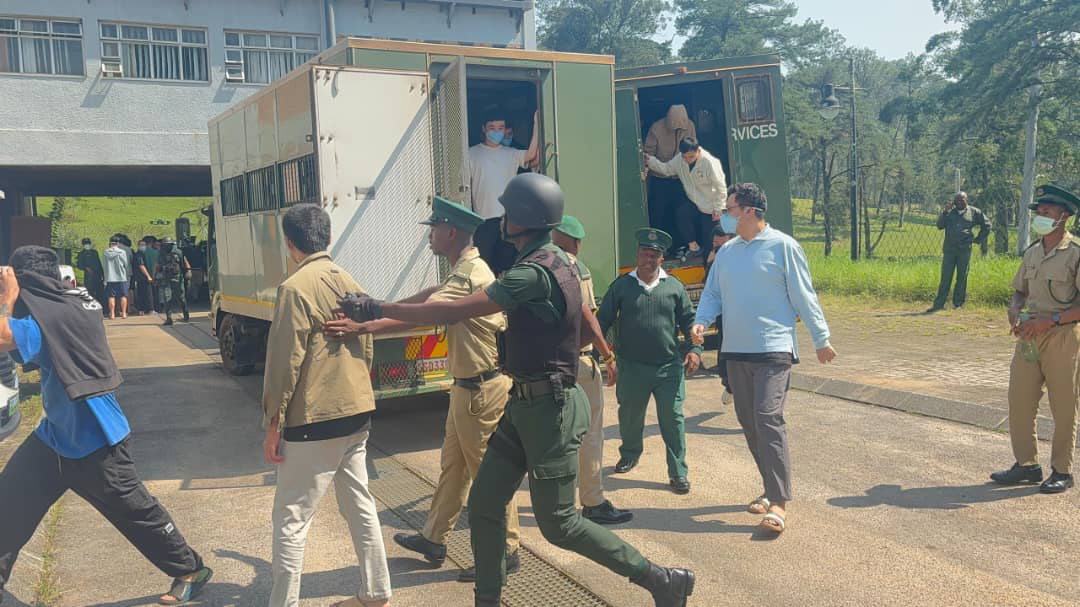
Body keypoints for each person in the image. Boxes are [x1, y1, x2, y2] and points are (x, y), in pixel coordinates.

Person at [338, 173, 695, 607]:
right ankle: (487, 599)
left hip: (550, 411)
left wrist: (374, 307)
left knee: (559, 524)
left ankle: (662, 580)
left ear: (523, 219)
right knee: (486, 503)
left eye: (508, 212)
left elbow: (461, 309)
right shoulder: (557, 262)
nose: (502, 220)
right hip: (524, 404)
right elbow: (581, 318)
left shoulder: (533, 273)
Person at [325, 197, 523, 582]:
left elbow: (429, 311)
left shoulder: (469, 275)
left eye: (434, 229)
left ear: (450, 232)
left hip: (481, 392)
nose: (429, 236)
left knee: (489, 476)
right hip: (468, 390)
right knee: (454, 468)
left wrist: (367, 321)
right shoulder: (465, 269)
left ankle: (506, 551)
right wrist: (380, 308)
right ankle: (434, 538)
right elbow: (428, 295)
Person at [0, 246, 212, 606]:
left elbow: (4, 337)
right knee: (9, 503)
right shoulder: (69, 304)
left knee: (137, 513)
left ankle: (191, 569)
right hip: (54, 438)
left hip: (96, 439)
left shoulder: (48, 317)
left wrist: (8, 298)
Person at [261, 204, 391, 607]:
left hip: (313, 418)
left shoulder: (295, 287)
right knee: (358, 503)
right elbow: (367, 343)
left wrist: (273, 421)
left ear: (289, 243)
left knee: (292, 518)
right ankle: (376, 590)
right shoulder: (350, 281)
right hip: (355, 411)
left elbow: (285, 361)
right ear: (328, 238)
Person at [691, 183, 836, 534]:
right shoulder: (727, 254)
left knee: (767, 417)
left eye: (729, 209)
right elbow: (713, 294)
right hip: (736, 350)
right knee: (749, 421)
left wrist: (821, 338)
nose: (724, 216)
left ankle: (780, 504)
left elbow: (804, 294)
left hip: (774, 349)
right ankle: (771, 488)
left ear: (749, 212)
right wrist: (700, 320)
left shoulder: (784, 247)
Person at [597, 228, 701, 495]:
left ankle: (678, 472)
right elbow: (602, 320)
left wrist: (695, 350)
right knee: (630, 417)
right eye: (645, 253)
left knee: (673, 419)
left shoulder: (674, 286)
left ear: (661, 259)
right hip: (632, 367)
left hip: (669, 367)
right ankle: (630, 454)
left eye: (654, 255)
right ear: (637, 255)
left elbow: (689, 322)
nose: (649, 259)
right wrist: (605, 352)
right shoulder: (622, 285)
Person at [991, 184, 1080, 494]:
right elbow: (1020, 290)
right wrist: (1014, 310)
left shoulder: (1075, 254)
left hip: (1062, 337)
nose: (1040, 215)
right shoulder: (1031, 252)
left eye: (1047, 210)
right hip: (1029, 337)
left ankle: (1062, 470)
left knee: (1063, 405)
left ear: (1064, 215)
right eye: (1038, 211)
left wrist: (1051, 320)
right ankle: (1027, 465)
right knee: (1020, 400)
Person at [551, 215, 633, 524]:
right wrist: (607, 356)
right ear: (575, 242)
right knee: (589, 433)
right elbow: (588, 318)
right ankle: (593, 501)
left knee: (555, 435)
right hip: (578, 364)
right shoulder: (575, 267)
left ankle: (556, 502)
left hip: (547, 365)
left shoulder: (537, 261)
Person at [469, 109, 541, 276]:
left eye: (501, 128)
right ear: (483, 129)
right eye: (492, 127)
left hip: (508, 220)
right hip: (483, 221)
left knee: (508, 267)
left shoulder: (511, 154)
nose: (497, 131)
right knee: (484, 269)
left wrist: (536, 125)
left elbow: (531, 154)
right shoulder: (471, 154)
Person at [646, 137, 727, 260]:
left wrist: (718, 208)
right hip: (694, 201)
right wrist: (650, 161)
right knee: (682, 213)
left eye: (691, 157)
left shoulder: (709, 162)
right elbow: (666, 169)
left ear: (698, 151)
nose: (688, 160)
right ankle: (693, 247)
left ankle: (708, 267)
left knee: (708, 243)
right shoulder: (680, 160)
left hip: (710, 207)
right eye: (685, 157)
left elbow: (721, 187)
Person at [643, 105, 697, 247]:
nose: (679, 130)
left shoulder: (690, 125)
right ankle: (657, 245)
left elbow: (692, 148)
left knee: (681, 212)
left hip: (680, 179)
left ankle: (681, 245)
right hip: (660, 179)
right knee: (658, 213)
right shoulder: (656, 128)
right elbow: (648, 153)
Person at [928, 191, 991, 312]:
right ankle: (939, 304)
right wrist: (945, 212)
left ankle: (958, 304)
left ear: (967, 200)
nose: (960, 202)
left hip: (964, 249)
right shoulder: (949, 212)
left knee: (962, 277)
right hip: (949, 250)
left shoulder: (974, 212)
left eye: (962, 200)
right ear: (954, 202)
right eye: (957, 200)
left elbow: (987, 225)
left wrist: (978, 239)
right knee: (946, 277)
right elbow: (939, 225)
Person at [704, 218, 737, 402]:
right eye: (714, 242)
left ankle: (735, 386)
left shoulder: (740, 254)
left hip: (742, 313)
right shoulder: (714, 256)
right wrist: (710, 264)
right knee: (724, 351)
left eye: (720, 241)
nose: (716, 245)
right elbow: (710, 288)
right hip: (724, 314)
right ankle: (729, 385)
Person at [156, 238, 190, 326]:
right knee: (167, 298)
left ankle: (186, 313)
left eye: (168, 244)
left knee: (181, 298)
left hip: (178, 278)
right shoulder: (161, 253)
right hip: (166, 278)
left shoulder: (178, 252)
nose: (166, 246)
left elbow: (183, 264)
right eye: (165, 244)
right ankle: (169, 318)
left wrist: (187, 272)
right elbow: (158, 265)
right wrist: (155, 276)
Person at [103, 237, 130, 320]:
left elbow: (104, 265)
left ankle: (112, 314)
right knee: (123, 295)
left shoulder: (105, 252)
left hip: (110, 277)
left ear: (110, 243)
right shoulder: (122, 252)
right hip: (121, 277)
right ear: (118, 243)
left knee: (111, 296)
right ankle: (124, 313)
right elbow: (126, 264)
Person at [76, 237, 105, 307]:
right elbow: (79, 265)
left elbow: (99, 263)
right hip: (88, 276)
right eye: (85, 243)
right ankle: (91, 306)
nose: (87, 245)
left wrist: (102, 274)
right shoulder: (81, 254)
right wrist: (86, 268)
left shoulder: (94, 252)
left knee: (99, 292)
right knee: (90, 292)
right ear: (83, 245)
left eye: (88, 243)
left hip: (97, 275)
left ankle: (101, 307)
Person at [133, 240, 154, 315]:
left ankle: (141, 310)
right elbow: (141, 266)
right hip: (143, 277)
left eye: (144, 244)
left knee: (141, 293)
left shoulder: (142, 254)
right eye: (141, 245)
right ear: (138, 245)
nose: (143, 246)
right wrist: (148, 276)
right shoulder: (139, 255)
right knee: (148, 293)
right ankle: (150, 310)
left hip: (139, 278)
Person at [143, 236, 161, 315]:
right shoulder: (155, 252)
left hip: (143, 276)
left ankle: (147, 308)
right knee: (155, 293)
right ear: (152, 243)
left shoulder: (142, 252)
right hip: (154, 275)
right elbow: (156, 266)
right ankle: (156, 308)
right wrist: (153, 276)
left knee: (146, 293)